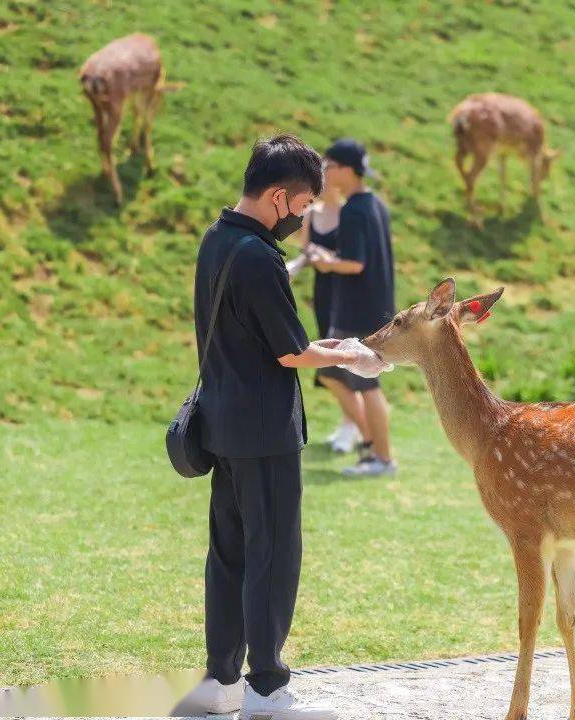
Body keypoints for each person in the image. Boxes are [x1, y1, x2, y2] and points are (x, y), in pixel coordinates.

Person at [179, 134, 383, 720]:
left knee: (229, 555)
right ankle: (266, 689)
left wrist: (335, 350)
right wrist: (351, 354)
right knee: (272, 555)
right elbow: (291, 353)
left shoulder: (217, 240)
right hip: (265, 432)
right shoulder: (260, 258)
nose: (301, 218)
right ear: (277, 196)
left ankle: (219, 681)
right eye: (301, 206)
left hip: (222, 424)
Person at [313, 139, 397, 476]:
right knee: (330, 373)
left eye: (329, 165)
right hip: (374, 306)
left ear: (346, 170)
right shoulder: (376, 204)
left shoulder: (353, 210)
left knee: (367, 383)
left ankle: (382, 459)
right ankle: (369, 446)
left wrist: (326, 262)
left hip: (357, 310)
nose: (325, 171)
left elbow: (355, 263)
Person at [297, 185, 364, 454]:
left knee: (341, 359)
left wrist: (330, 260)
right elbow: (305, 249)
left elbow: (354, 256)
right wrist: (308, 259)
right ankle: (349, 421)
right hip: (323, 290)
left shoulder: (350, 214)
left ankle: (354, 425)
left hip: (347, 291)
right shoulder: (312, 213)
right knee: (329, 354)